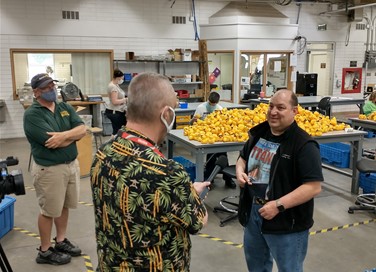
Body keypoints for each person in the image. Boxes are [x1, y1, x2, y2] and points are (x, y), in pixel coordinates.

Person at [90, 72, 210, 271]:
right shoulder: (167, 173)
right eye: (175, 106)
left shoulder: (103, 153)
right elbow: (198, 222)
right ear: (166, 114)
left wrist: (181, 192)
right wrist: (191, 195)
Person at [235, 89, 323, 272]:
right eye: (271, 106)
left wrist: (278, 205)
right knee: (256, 266)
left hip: (285, 220)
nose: (273, 112)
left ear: (295, 111)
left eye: (281, 107)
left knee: (289, 268)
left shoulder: (304, 144)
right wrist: (240, 171)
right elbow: (242, 157)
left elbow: (313, 187)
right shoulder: (260, 132)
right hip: (253, 212)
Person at [23, 73, 87, 265]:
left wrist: (65, 135)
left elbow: (82, 129)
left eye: (53, 86)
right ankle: (44, 251)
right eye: (47, 87)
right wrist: (72, 136)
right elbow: (52, 143)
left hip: (70, 166)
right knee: (49, 211)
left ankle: (60, 240)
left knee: (64, 206)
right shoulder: (32, 114)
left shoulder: (64, 107)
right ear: (36, 92)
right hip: (49, 170)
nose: (52, 90)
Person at [191, 91, 236, 189]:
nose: (212, 106)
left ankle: (228, 178)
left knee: (223, 155)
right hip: (205, 137)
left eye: (214, 104)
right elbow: (192, 123)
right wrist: (194, 121)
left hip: (218, 137)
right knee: (211, 156)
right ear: (208, 100)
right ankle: (209, 179)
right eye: (210, 104)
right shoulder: (201, 108)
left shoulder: (220, 109)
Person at [105, 68, 127, 138]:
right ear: (118, 78)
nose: (122, 80)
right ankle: (114, 144)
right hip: (115, 112)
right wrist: (125, 99)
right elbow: (114, 101)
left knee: (119, 130)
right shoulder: (113, 87)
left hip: (118, 110)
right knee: (117, 131)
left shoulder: (115, 85)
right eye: (121, 78)